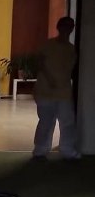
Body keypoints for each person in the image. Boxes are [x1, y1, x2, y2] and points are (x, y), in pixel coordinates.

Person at [33, 16, 79, 160]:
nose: (67, 29)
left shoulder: (72, 49)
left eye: (70, 26)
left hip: (64, 92)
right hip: (45, 91)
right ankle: (40, 151)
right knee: (45, 122)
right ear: (59, 27)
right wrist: (49, 79)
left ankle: (67, 150)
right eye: (65, 25)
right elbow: (40, 64)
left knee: (67, 122)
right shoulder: (47, 45)